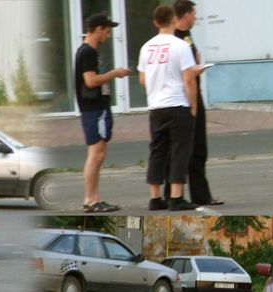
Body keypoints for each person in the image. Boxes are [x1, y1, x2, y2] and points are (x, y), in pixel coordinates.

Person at [139, 4, 202, 212]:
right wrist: (193, 105)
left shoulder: (146, 47)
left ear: (155, 22)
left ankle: (155, 197)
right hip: (177, 103)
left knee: (157, 151)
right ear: (174, 20)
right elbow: (189, 79)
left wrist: (157, 86)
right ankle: (176, 196)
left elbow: (142, 79)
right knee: (179, 150)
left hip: (156, 106)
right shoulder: (180, 45)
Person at [163, 1, 223, 206]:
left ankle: (201, 195)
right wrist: (194, 105)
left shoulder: (187, 35)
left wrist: (196, 63)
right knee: (179, 149)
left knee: (198, 149)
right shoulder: (175, 38)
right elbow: (179, 72)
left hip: (193, 94)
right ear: (186, 14)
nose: (196, 17)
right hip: (184, 98)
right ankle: (171, 194)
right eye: (194, 13)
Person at [75, 13, 132, 213]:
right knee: (96, 154)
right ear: (98, 29)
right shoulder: (88, 52)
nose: (108, 35)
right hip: (94, 108)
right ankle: (90, 200)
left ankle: (94, 198)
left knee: (98, 154)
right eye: (107, 31)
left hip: (95, 108)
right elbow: (90, 81)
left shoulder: (87, 51)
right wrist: (115, 73)